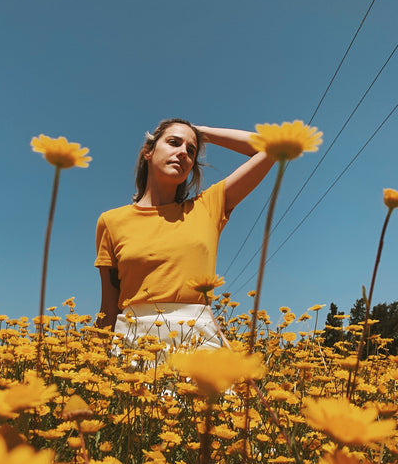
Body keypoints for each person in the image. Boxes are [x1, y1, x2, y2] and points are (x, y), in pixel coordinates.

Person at [95, 118, 274, 352]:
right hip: (134, 344)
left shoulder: (208, 208)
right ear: (148, 152)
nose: (183, 153)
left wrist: (202, 133)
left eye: (191, 151)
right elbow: (108, 308)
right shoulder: (110, 221)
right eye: (173, 142)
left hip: (200, 341)